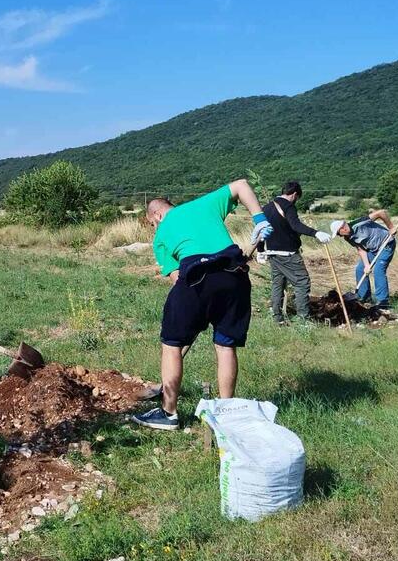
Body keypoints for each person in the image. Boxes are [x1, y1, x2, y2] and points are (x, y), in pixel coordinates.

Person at [130, 179, 273, 431]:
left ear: (158, 214)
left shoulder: (161, 236)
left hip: (195, 277)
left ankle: (168, 413)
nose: (154, 228)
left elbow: (177, 280)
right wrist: (260, 218)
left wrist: (192, 318)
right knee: (225, 346)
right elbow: (241, 184)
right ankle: (227, 412)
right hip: (235, 274)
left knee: (172, 345)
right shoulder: (204, 204)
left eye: (153, 223)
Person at [260, 181, 332, 324]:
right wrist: (316, 233)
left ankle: (277, 318)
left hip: (272, 253)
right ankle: (303, 321)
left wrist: (260, 250)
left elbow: (261, 229)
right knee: (302, 283)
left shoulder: (266, 207)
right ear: (294, 194)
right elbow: (296, 225)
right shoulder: (288, 207)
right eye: (297, 197)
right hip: (288, 254)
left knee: (277, 284)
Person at [330, 209, 398, 309]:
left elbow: (381, 212)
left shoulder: (360, 222)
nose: (340, 236)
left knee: (378, 270)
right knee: (360, 269)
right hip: (372, 250)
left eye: (338, 234)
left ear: (342, 228)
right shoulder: (348, 237)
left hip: (386, 245)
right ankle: (364, 297)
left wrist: (391, 227)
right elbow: (361, 249)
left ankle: (383, 302)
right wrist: (366, 265)